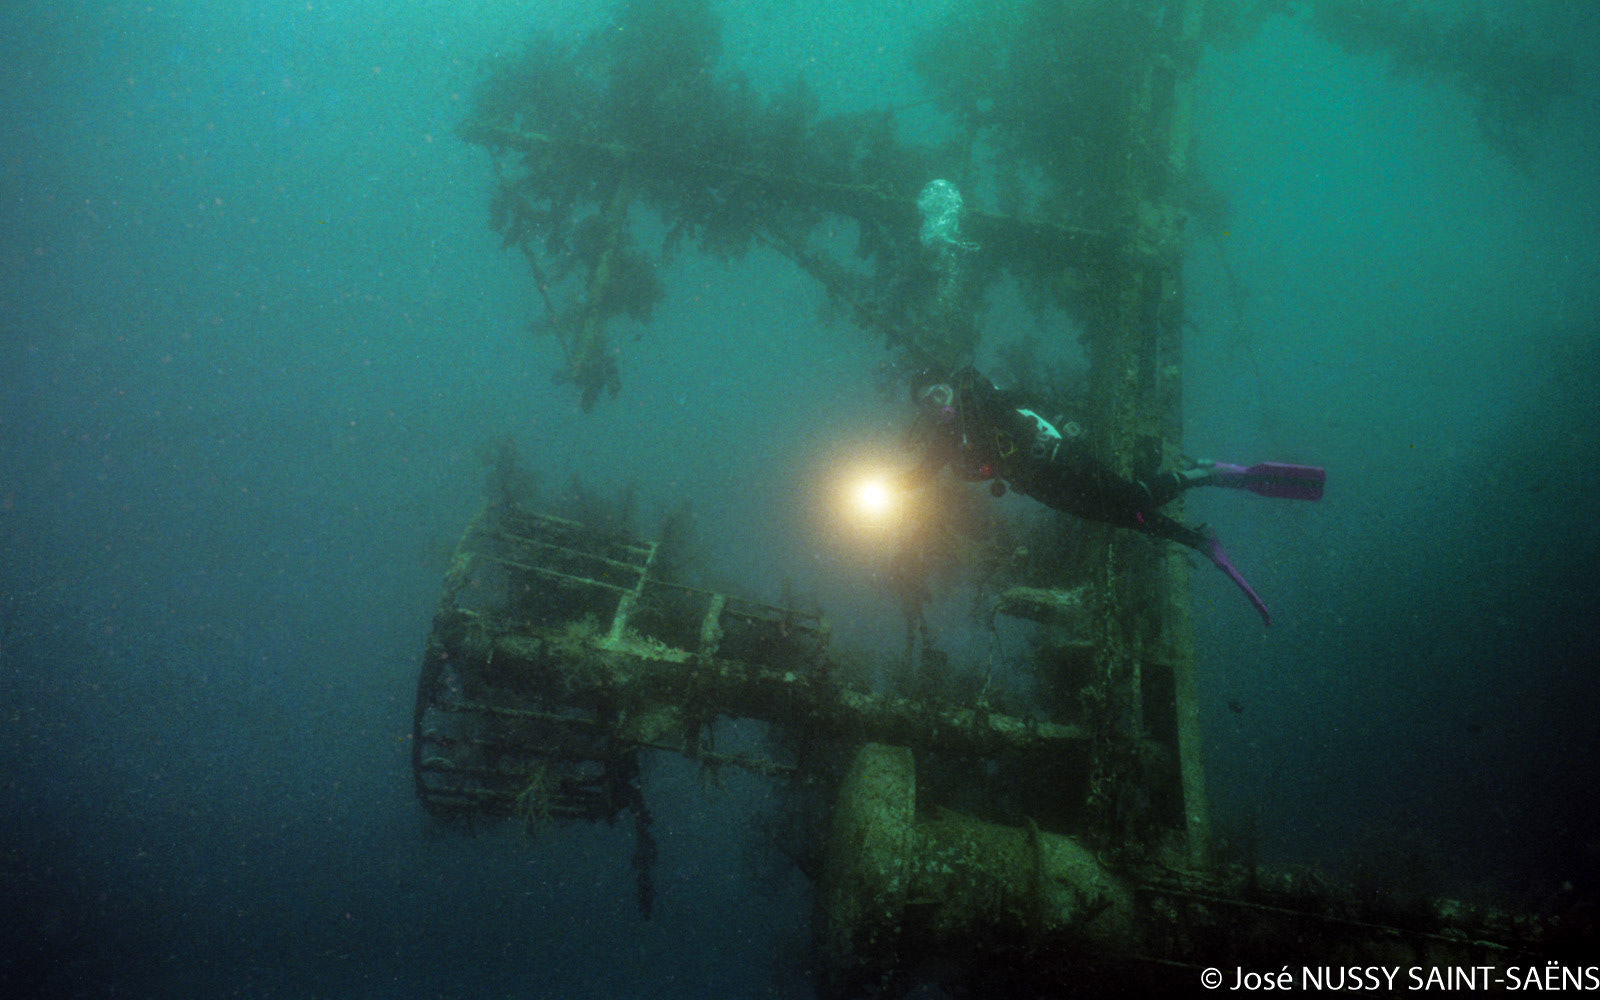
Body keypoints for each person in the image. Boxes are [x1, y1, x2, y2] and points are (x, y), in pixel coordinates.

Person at [902, 367, 1325, 624]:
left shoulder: (979, 398)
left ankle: (1205, 473)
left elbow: (1025, 398)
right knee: (1125, 517)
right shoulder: (947, 441)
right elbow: (922, 472)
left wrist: (1063, 421)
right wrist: (890, 486)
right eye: (927, 404)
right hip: (1041, 488)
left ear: (950, 387)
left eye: (939, 393)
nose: (938, 405)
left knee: (1132, 497)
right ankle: (1198, 539)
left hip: (1061, 458)